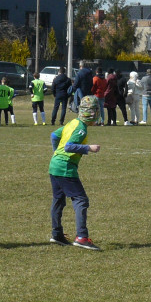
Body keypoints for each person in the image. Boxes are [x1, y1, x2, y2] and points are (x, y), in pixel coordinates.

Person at [48, 95, 101, 250]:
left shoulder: (73, 122)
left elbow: (54, 135)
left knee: (58, 200)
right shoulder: (81, 128)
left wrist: (55, 153)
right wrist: (88, 148)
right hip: (65, 167)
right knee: (80, 200)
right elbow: (69, 147)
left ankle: (56, 234)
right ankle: (82, 237)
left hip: (54, 165)